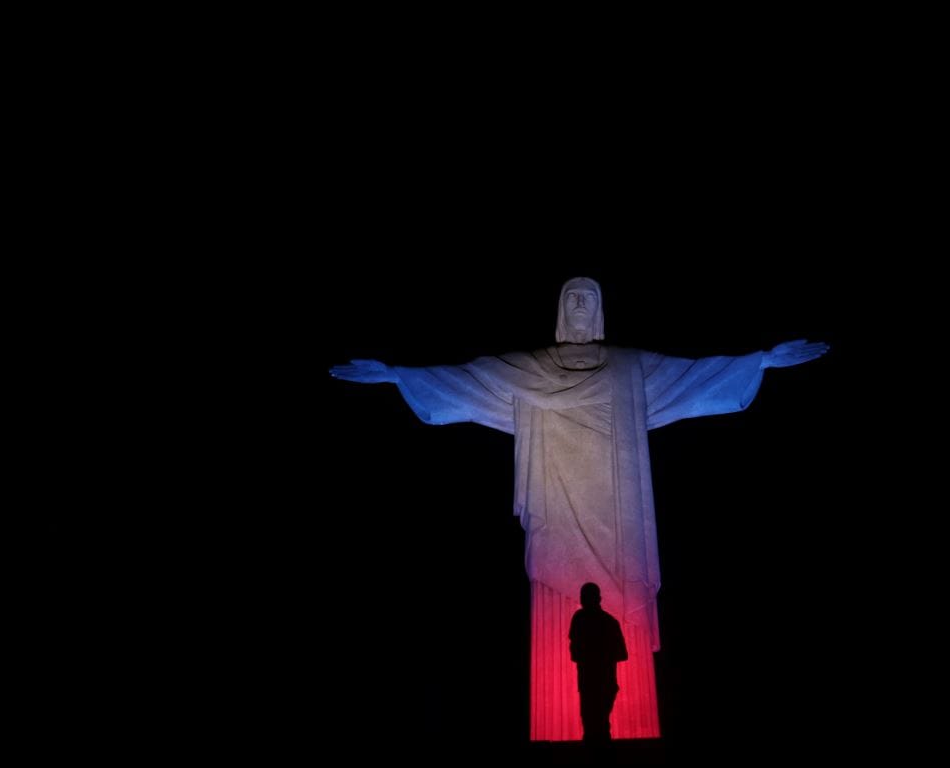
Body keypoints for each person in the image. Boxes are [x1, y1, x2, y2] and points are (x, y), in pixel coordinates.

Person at [330, 277, 828, 740]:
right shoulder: (531, 369)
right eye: (572, 296)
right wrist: (398, 375)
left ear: (601, 310)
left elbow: (694, 377)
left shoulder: (631, 368)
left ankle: (616, 726)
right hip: (557, 508)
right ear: (560, 311)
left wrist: (759, 360)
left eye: (589, 295)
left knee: (617, 664)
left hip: (619, 515)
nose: (580, 304)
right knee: (565, 648)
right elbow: (468, 381)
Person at [569, 582, 628, 744]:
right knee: (600, 726)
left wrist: (590, 655)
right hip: (605, 683)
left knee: (592, 726)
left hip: (590, 683)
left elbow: (574, 653)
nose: (582, 601)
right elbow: (622, 654)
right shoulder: (610, 622)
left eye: (584, 597)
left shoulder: (579, 619)